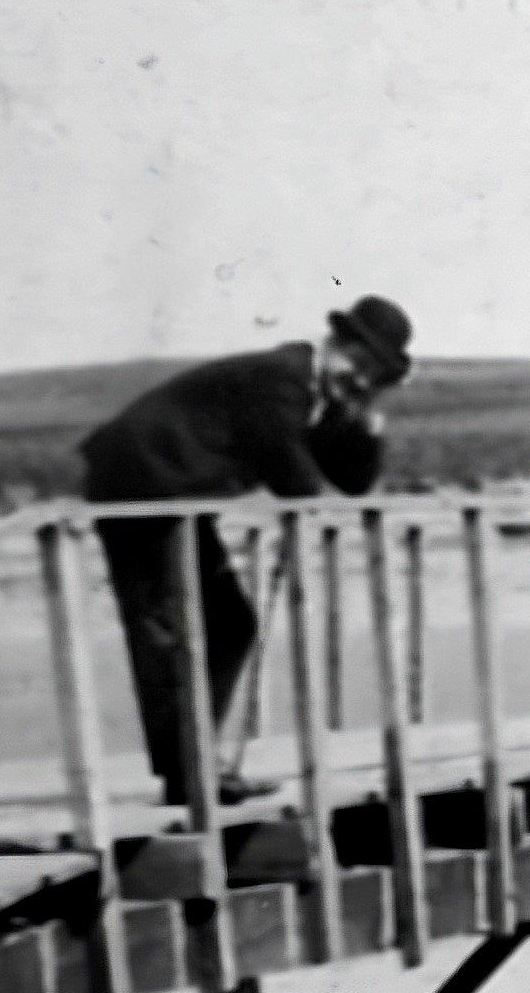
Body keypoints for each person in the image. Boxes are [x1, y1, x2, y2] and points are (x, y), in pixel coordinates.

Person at [80, 297, 414, 805]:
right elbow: (289, 471)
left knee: (229, 624)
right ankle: (191, 776)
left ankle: (193, 770)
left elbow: (351, 482)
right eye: (360, 365)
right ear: (336, 345)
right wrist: (308, 498)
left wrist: (365, 428)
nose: (363, 380)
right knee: (169, 630)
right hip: (140, 481)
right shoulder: (284, 378)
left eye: (376, 376)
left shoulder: (317, 394)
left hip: (175, 495)